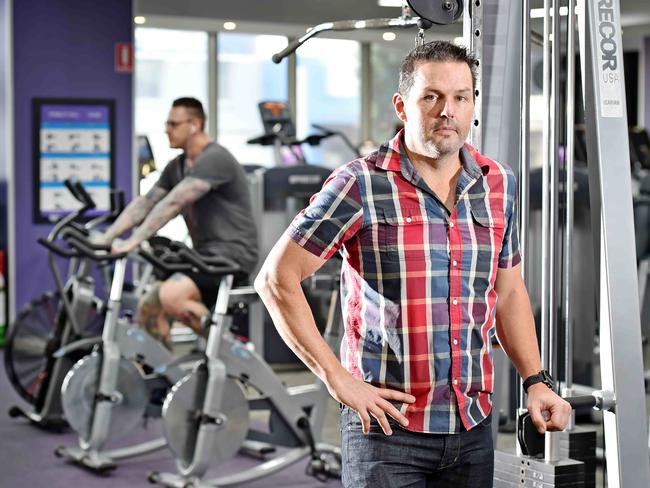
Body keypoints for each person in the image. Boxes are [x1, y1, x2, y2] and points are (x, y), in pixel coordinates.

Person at [254, 41, 571, 487]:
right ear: (403, 105)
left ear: (472, 104)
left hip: (472, 424)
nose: (448, 111)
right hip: (387, 431)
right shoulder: (360, 183)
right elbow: (276, 280)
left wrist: (536, 380)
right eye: (432, 97)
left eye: (461, 97)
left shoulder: (498, 184)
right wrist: (338, 379)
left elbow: (510, 293)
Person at [98, 97, 258, 347]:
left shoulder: (215, 158)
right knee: (149, 306)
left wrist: (133, 241)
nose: (166, 130)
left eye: (173, 124)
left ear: (194, 124)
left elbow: (173, 204)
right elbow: (147, 202)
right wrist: (106, 238)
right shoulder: (178, 165)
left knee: (172, 296)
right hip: (204, 256)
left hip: (233, 256)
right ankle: (163, 380)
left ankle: (233, 354)